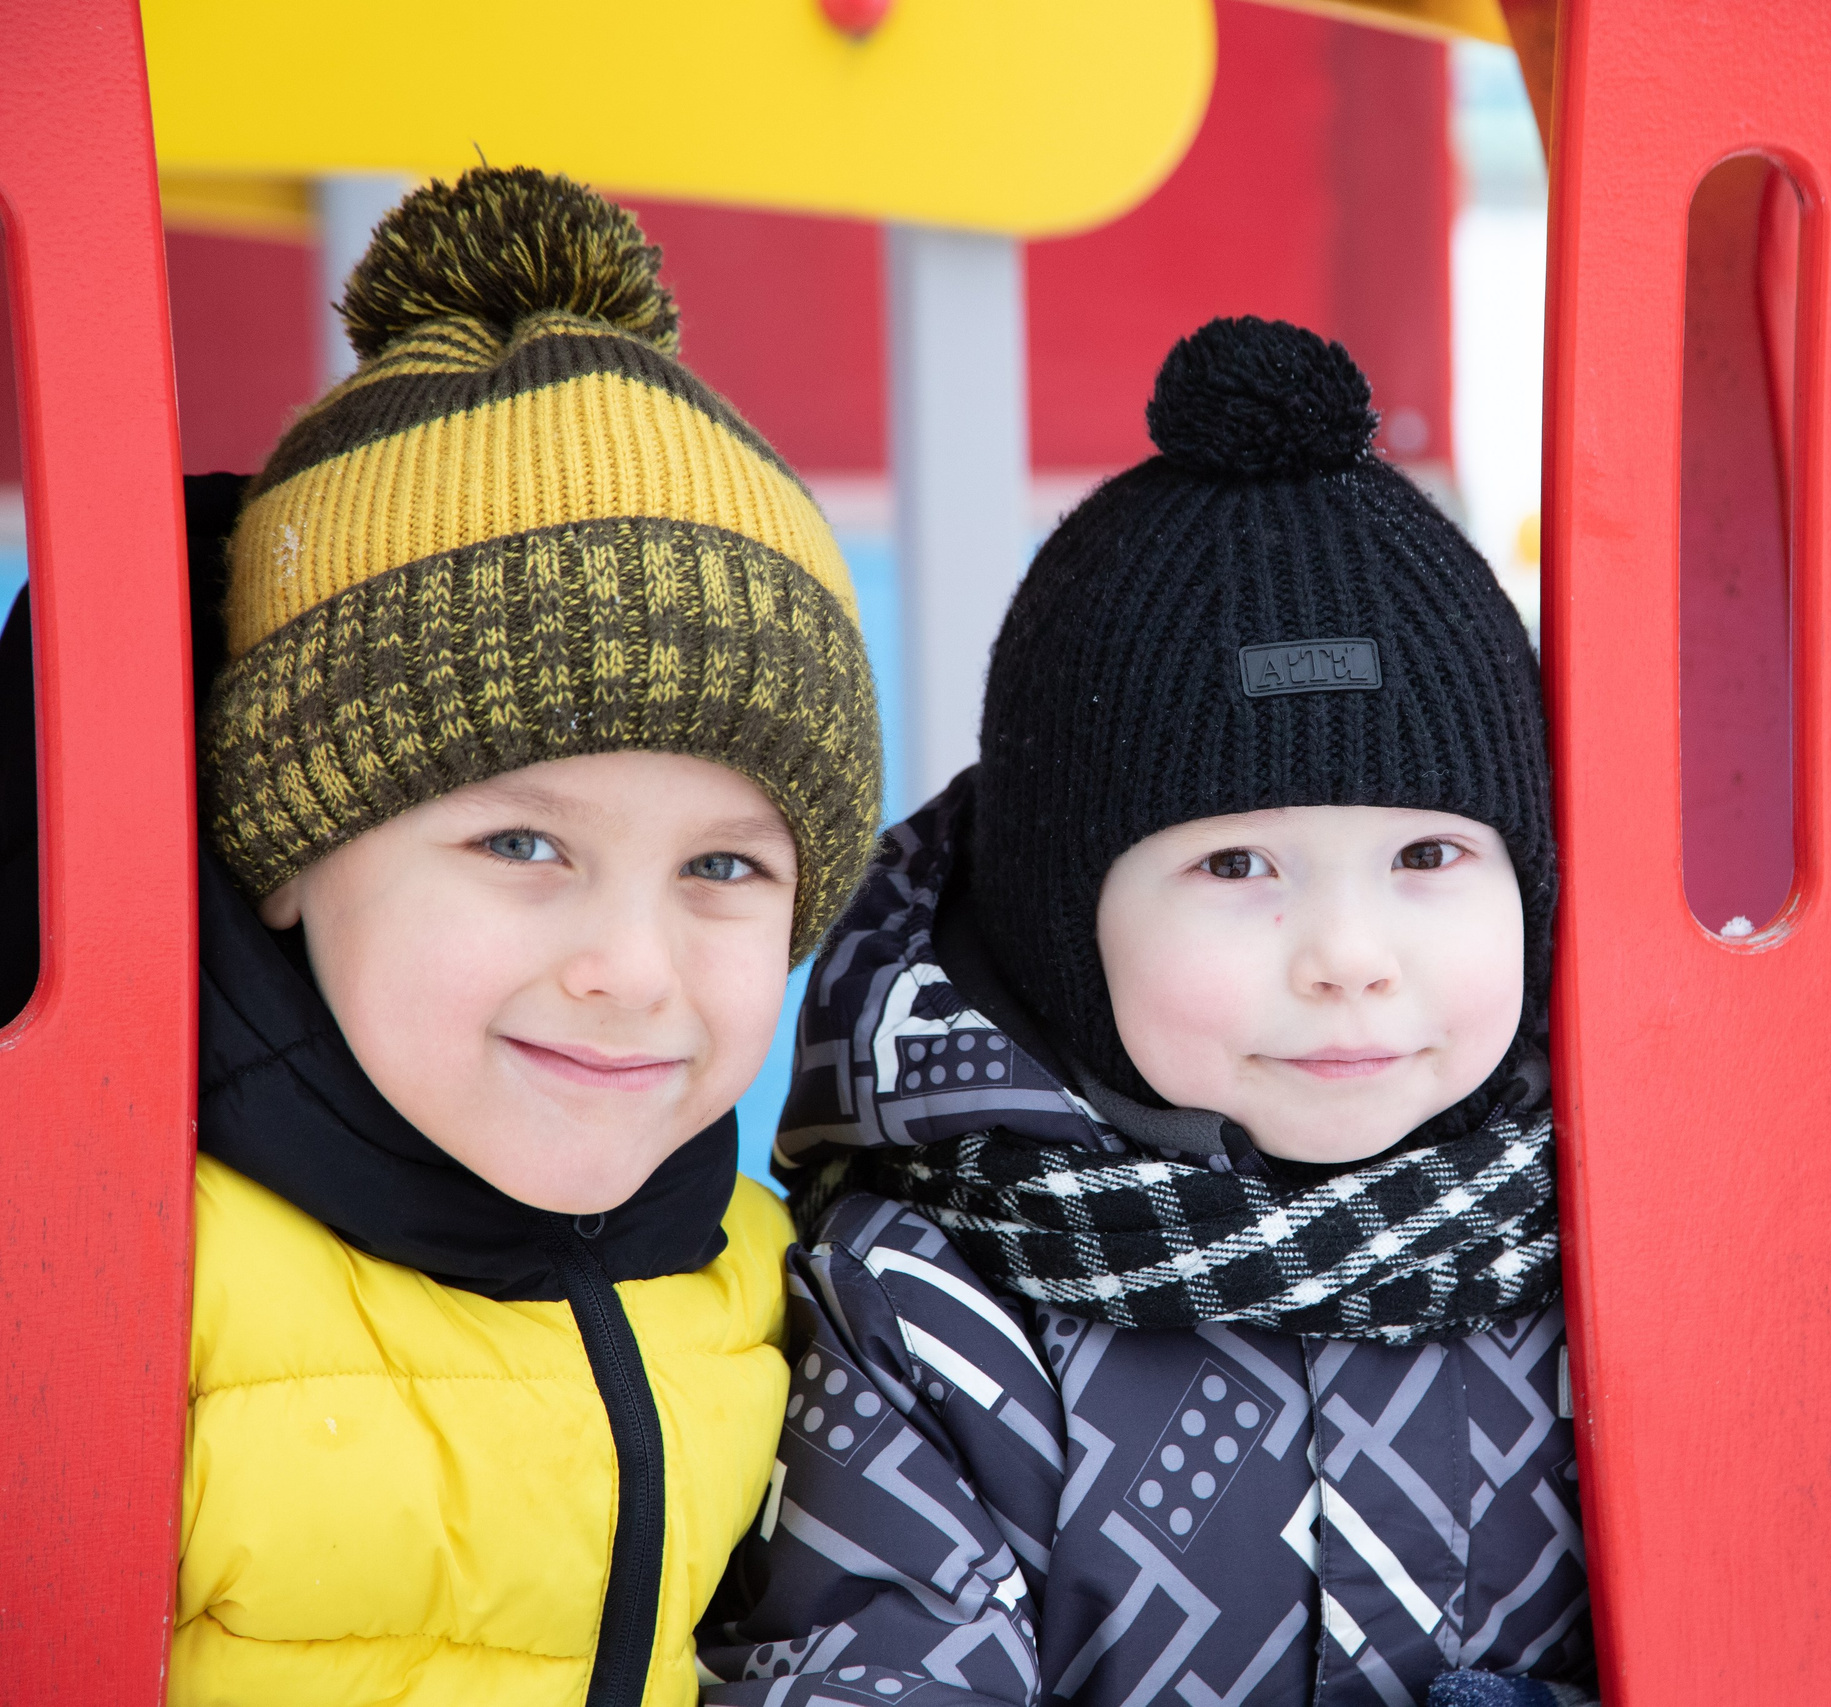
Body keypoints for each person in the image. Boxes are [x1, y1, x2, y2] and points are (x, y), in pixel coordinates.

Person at [699, 319, 1592, 1706]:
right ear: (1062, 922)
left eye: (1428, 859)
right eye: (1237, 866)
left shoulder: (1607, 1259)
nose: (1349, 956)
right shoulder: (936, 1307)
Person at [141, 167, 879, 1704]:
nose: (631, 965)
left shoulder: (757, 1282)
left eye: (726, 868)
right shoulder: (126, 1281)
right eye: (521, 843)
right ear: (288, 854)